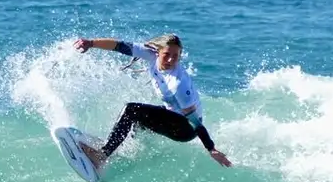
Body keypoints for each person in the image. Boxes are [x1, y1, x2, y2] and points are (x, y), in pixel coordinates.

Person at [74, 33, 233, 170]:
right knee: (136, 122)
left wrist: (211, 148)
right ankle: (116, 150)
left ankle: (102, 155)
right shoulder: (150, 54)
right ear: (158, 52)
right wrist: (91, 43)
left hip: (185, 129)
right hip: (173, 115)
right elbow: (119, 46)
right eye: (167, 54)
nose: (171, 60)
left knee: (132, 110)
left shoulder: (178, 83)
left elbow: (195, 122)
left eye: (176, 56)